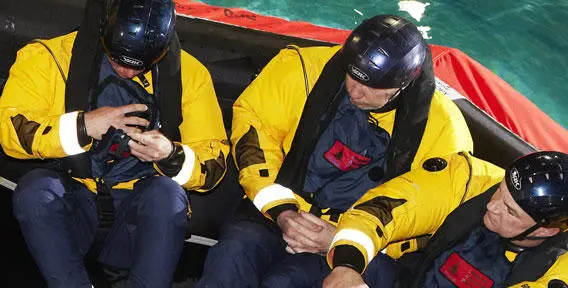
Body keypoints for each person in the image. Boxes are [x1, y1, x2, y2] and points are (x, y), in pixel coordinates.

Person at [196, 14, 475, 287]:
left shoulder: (444, 131)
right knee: (232, 255)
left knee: (284, 282)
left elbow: (429, 216)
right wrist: (283, 211)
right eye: (352, 75)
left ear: (402, 85)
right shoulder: (300, 68)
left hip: (357, 242)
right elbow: (254, 133)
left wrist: (344, 241)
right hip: (279, 207)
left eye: (371, 86)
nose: (355, 91)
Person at [0, 0, 233, 286]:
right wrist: (83, 126)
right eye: (117, 59)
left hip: (134, 217)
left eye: (142, 64)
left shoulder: (191, 76)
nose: (127, 72)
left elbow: (213, 163)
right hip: (76, 203)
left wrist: (171, 155)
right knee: (35, 190)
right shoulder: (48, 57)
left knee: (168, 196)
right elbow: (8, 128)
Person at [321, 151, 568, 288]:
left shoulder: (564, 277)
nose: (492, 206)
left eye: (510, 211)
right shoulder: (469, 178)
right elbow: (383, 208)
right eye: (500, 190)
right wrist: (348, 265)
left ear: (546, 231)